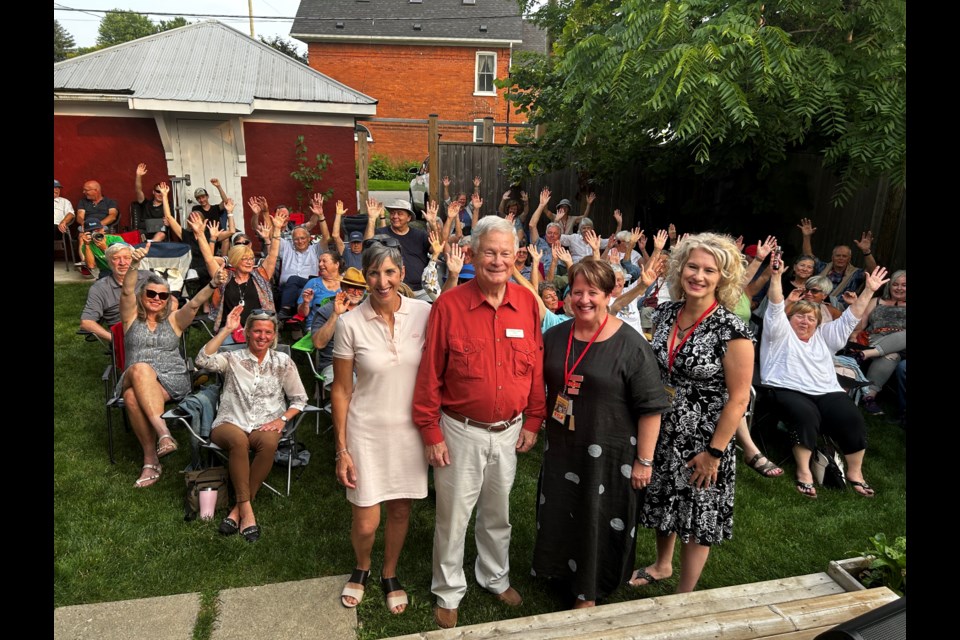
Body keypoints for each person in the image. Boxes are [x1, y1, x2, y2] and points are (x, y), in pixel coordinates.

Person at [412, 215, 547, 629]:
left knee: (498, 512)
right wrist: (431, 431)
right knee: (453, 517)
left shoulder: (526, 304)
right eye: (489, 251)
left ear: (517, 258)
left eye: (506, 253)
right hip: (459, 431)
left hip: (508, 431)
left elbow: (535, 368)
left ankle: (494, 576)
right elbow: (429, 374)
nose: (497, 260)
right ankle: (448, 590)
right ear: (472, 253)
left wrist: (534, 419)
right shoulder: (449, 306)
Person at [532, 258, 671, 609]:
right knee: (562, 508)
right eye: (577, 292)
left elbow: (651, 407)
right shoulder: (555, 336)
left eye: (593, 292)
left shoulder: (630, 344)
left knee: (596, 515)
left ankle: (587, 591)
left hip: (611, 452)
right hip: (563, 445)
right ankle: (560, 570)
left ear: (610, 295)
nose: (584, 300)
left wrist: (645, 461)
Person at [635, 233, 754, 593]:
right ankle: (661, 564)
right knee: (663, 498)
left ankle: (684, 596)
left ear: (722, 277)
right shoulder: (666, 312)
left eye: (709, 270)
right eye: (692, 266)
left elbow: (738, 399)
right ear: (680, 269)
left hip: (705, 437)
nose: (698, 276)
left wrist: (715, 453)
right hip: (663, 426)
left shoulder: (732, 329)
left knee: (697, 511)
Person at [331, 242, 432, 613]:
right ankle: (363, 566)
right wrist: (341, 448)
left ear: (402, 274)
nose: (382, 280)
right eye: (374, 273)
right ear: (365, 277)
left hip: (410, 430)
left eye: (389, 272)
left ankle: (389, 572)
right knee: (366, 518)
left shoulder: (424, 313)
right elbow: (341, 390)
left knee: (401, 509)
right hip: (366, 429)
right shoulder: (349, 323)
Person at [761, 258, 889, 498]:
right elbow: (777, 305)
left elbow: (851, 317)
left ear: (818, 323)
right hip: (787, 388)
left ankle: (855, 473)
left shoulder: (825, 336)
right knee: (805, 415)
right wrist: (776, 277)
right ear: (790, 319)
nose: (805, 321)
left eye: (811, 318)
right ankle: (804, 472)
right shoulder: (778, 333)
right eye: (799, 316)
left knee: (851, 416)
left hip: (826, 390)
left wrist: (870, 290)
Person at [195, 306, 308, 542]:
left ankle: (236, 511)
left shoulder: (282, 361)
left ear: (274, 335)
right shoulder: (232, 358)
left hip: (267, 423)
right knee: (238, 441)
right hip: (230, 421)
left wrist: (282, 419)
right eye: (257, 331)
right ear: (247, 332)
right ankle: (246, 511)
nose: (262, 337)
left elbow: (299, 399)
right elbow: (202, 359)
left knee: (268, 443)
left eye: (268, 332)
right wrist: (226, 329)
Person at [118, 244, 226, 488]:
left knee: (132, 397)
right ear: (143, 297)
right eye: (151, 294)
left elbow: (195, 304)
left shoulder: (175, 322)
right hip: (134, 373)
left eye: (163, 296)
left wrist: (213, 284)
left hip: (171, 379)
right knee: (140, 369)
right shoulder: (131, 318)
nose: (157, 299)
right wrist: (134, 264)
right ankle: (164, 433)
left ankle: (150, 460)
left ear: (168, 300)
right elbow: (126, 292)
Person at [191, 209, 286, 334]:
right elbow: (209, 259)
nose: (249, 262)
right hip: (229, 330)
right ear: (235, 260)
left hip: (258, 331)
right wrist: (201, 234)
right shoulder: (224, 277)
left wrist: (277, 230)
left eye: (251, 259)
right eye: (244, 259)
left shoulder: (260, 275)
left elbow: (273, 255)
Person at [851, 270, 906, 416]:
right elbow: (859, 326)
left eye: (904, 285)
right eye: (895, 284)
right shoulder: (876, 301)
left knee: (898, 345)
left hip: (901, 344)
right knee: (891, 355)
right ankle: (869, 397)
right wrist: (853, 337)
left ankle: (864, 356)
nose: (899, 288)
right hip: (874, 340)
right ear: (889, 286)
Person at [798, 218, 877, 308]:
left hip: (839, 311)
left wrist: (866, 251)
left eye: (844, 256)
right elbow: (808, 256)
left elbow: (873, 271)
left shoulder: (855, 274)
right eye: (838, 255)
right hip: (814, 305)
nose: (841, 258)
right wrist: (806, 237)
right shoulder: (822, 267)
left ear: (849, 258)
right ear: (832, 257)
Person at [80, 243, 149, 342]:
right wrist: (115, 339)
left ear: (134, 260)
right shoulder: (100, 288)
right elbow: (86, 322)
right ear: (109, 263)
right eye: (116, 258)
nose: (122, 262)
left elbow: (171, 301)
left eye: (127, 257)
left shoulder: (148, 277)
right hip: (126, 334)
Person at [365, 199, 432, 301]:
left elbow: (436, 248)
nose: (395, 216)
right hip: (395, 289)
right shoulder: (382, 233)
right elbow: (367, 246)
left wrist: (433, 223)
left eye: (400, 213)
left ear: (409, 217)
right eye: (392, 213)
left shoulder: (420, 235)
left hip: (421, 290)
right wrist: (371, 219)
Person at [310, 267, 367, 384]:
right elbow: (318, 343)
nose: (356, 293)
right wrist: (335, 314)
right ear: (343, 287)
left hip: (364, 363)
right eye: (352, 288)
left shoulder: (368, 310)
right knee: (349, 384)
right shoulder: (326, 310)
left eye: (360, 289)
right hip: (335, 363)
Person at [298, 251, 344, 328]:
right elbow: (302, 314)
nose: (320, 264)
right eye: (319, 261)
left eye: (324, 261)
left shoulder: (347, 284)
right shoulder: (313, 283)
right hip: (316, 328)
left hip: (341, 327)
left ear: (337, 264)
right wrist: (305, 303)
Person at [133, 163, 169, 241]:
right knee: (137, 234)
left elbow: (170, 220)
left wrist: (168, 222)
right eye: (158, 191)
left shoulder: (167, 206)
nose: (160, 194)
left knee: (161, 234)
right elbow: (138, 190)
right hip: (144, 231)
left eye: (162, 192)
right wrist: (138, 176)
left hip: (159, 232)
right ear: (153, 192)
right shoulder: (146, 203)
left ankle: (150, 244)